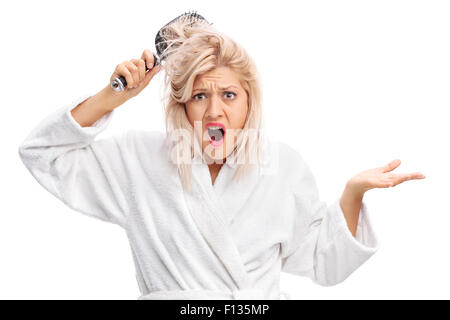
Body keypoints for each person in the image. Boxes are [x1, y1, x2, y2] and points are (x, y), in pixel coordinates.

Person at [18, 18, 425, 300]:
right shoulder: (138, 160)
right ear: (183, 107)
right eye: (200, 96)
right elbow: (42, 153)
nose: (214, 112)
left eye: (228, 95)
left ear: (249, 102)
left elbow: (324, 262)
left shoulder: (283, 166)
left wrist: (353, 192)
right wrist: (114, 96)